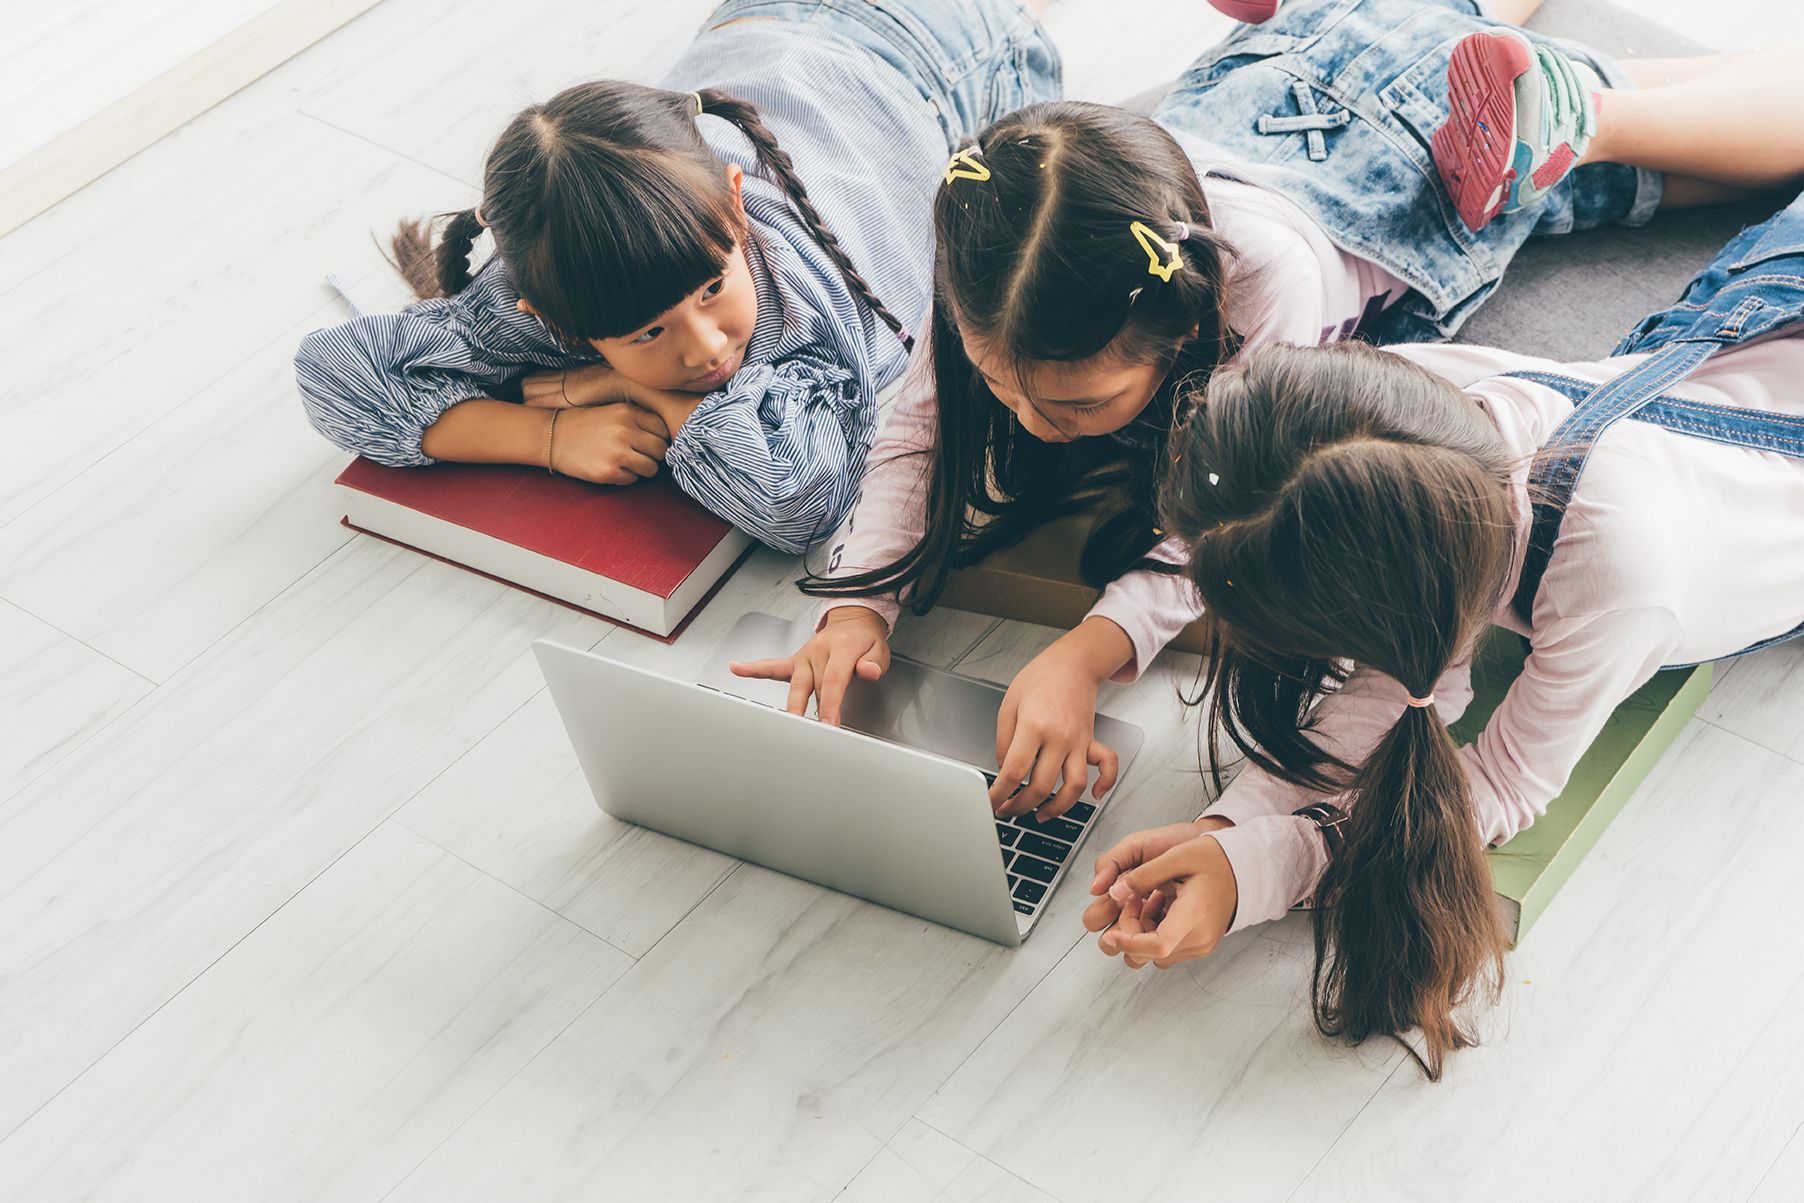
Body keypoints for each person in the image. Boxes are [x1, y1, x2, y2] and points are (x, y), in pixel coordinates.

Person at [735, 0, 1804, 819]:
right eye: (997, 379)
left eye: (1074, 402)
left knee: (1676, 154)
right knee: (1423, 19)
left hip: (1415, 157)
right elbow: (915, 428)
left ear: (1182, 331)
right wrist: (854, 605)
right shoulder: (998, 256)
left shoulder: (1269, 288)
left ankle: (1581, 113)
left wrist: (1090, 651)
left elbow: (1216, 510)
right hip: (1279, 79)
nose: (1021, 415)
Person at [1085, 192, 1804, 1079]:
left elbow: (1499, 782)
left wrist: (1271, 865)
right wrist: (1230, 830)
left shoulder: (1621, 574)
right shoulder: (1401, 431)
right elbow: (1395, 686)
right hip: (1746, 318)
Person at [294, 0, 1059, 554]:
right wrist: (547, 435)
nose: (706, 349)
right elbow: (333, 375)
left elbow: (799, 497)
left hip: (951, 55)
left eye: (712, 290)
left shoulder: (796, 300)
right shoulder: (556, 286)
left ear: (736, 210)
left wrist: (630, 384)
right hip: (771, 40)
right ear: (554, 322)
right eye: (647, 334)